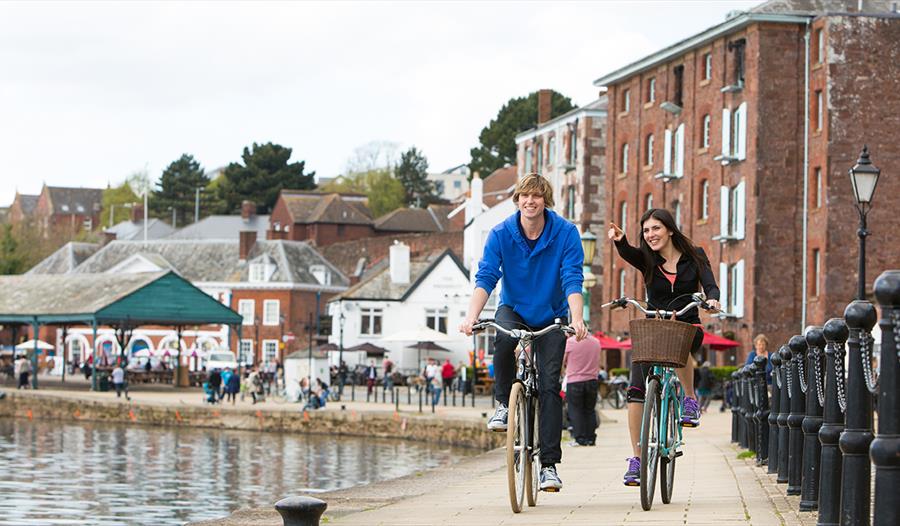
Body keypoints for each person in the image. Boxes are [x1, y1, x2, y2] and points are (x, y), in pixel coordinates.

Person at [460, 173, 587, 493]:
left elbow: (572, 277)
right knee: (501, 338)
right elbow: (487, 276)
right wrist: (471, 317)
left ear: (546, 200)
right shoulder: (501, 234)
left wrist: (577, 318)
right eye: (524, 196)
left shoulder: (566, 233)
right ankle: (504, 403)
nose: (530, 201)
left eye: (537, 196)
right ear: (516, 200)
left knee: (548, 385)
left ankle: (548, 466)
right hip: (514, 308)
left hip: (553, 313)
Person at [608, 208, 720, 487]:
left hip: (687, 325)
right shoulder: (647, 259)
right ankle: (636, 458)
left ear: (669, 229)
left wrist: (713, 301)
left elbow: (710, 285)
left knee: (681, 343)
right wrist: (621, 241)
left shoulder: (695, 255)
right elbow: (630, 254)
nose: (650, 235)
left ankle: (690, 399)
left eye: (655, 228)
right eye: (646, 231)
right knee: (636, 390)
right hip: (654, 327)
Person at [563, 332, 601, 446]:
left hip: (574, 380)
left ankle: (580, 438)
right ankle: (591, 438)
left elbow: (563, 360)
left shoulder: (570, 342)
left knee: (575, 410)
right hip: (592, 380)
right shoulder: (596, 342)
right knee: (590, 410)